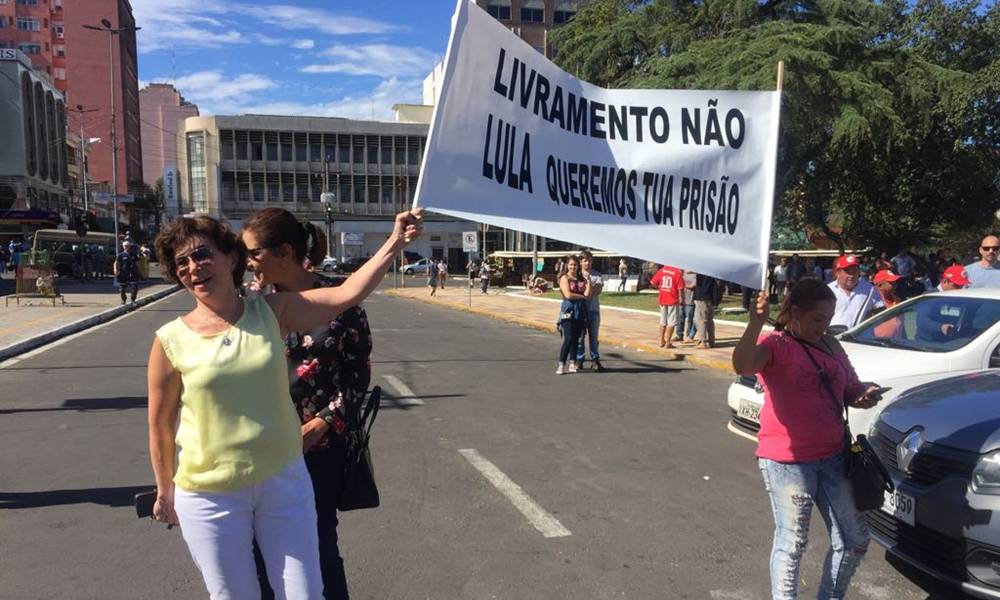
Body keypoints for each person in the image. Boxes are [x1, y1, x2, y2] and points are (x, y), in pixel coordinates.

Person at [147, 209, 422, 599]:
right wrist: (164, 490)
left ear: (230, 257)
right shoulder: (169, 339)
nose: (194, 267)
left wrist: (395, 242)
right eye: (182, 262)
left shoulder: (272, 312)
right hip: (210, 494)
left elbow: (348, 294)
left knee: (307, 593)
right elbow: (159, 425)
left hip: (283, 482)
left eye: (203, 254)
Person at [242, 208, 371, 600]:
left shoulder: (338, 300)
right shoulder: (248, 304)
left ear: (283, 251)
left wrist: (324, 423)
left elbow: (357, 376)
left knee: (317, 545)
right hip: (260, 446)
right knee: (258, 548)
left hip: (318, 448)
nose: (246, 262)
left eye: (252, 252)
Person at [733, 281, 884, 600]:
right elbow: (743, 364)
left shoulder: (831, 345)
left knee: (854, 540)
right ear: (795, 313)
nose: (824, 326)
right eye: (818, 318)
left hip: (833, 457)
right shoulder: (776, 345)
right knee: (793, 543)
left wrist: (862, 395)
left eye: (829, 318)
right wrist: (755, 324)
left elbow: (850, 387)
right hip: (788, 462)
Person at [556, 255, 590, 374]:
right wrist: (582, 297)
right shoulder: (564, 278)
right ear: (567, 265)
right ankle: (561, 364)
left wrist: (588, 281)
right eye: (571, 264)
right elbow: (568, 295)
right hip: (568, 310)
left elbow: (587, 293)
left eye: (575, 264)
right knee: (569, 338)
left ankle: (572, 362)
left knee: (577, 339)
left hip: (580, 311)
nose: (573, 267)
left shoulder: (581, 279)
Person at [828, 255, 882, 329]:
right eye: (847, 271)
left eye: (855, 271)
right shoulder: (828, 290)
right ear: (838, 272)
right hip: (832, 337)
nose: (852, 275)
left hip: (858, 338)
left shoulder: (869, 289)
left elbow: (881, 309)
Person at [575, 250, 605, 371]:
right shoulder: (576, 275)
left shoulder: (597, 275)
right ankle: (579, 360)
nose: (587, 263)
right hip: (580, 311)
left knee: (594, 337)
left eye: (589, 260)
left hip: (593, 310)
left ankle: (595, 360)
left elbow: (597, 291)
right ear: (581, 262)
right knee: (580, 338)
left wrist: (587, 281)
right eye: (585, 260)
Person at [649, 264, 684, 348]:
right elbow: (680, 288)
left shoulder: (662, 270)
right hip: (672, 299)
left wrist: (659, 288)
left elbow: (652, 282)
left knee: (663, 321)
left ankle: (661, 340)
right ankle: (668, 342)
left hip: (662, 298)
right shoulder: (677, 272)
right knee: (671, 321)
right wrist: (681, 298)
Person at [693, 273, 719, 349]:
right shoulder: (711, 273)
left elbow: (689, 271)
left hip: (701, 297)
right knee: (709, 320)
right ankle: (711, 341)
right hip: (710, 297)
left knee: (701, 320)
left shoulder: (701, 272)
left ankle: (703, 341)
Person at [114, 240, 141, 305]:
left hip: (133, 273)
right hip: (123, 274)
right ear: (123, 247)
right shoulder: (120, 255)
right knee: (122, 289)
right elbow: (116, 263)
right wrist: (115, 270)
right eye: (125, 246)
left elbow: (138, 263)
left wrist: (139, 272)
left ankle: (133, 300)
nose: (127, 247)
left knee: (134, 288)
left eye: (128, 246)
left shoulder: (133, 254)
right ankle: (123, 300)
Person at [676, 270, 697, 344]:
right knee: (680, 318)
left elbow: (693, 286)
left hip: (690, 300)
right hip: (682, 299)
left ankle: (688, 336)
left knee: (689, 320)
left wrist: (682, 285)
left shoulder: (695, 275)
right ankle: (679, 335)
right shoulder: (682, 273)